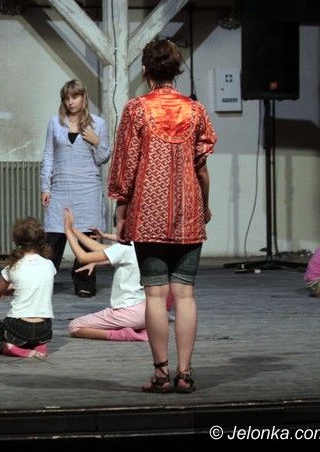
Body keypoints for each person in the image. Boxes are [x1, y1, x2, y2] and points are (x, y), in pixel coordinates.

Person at [107, 39, 217, 393]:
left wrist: (121, 211)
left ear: (145, 70)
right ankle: (185, 374)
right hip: (188, 212)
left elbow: (125, 165)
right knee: (184, 295)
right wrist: (205, 206)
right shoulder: (195, 111)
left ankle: (161, 374)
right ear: (176, 70)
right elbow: (201, 170)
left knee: (155, 296)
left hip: (148, 215)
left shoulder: (137, 109)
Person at [40, 79, 110, 297]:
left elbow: (102, 159)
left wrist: (97, 142)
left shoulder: (98, 124)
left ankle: (84, 282)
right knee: (53, 239)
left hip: (87, 190)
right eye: (66, 98)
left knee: (87, 238)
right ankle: (39, 283)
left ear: (83, 97)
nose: (70, 102)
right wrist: (45, 187)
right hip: (60, 188)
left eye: (75, 97)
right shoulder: (55, 122)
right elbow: (48, 155)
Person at [63, 209, 148, 342]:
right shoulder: (143, 245)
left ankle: (123, 334)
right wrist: (73, 229)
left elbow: (83, 257)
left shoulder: (125, 248)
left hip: (127, 312)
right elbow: (98, 247)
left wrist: (68, 232)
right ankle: (142, 329)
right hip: (148, 312)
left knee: (75, 326)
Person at [0, 217, 56, 358]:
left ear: (17, 242)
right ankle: (39, 345)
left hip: (19, 328)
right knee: (30, 337)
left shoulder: (13, 267)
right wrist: (9, 290)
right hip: (44, 330)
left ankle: (13, 349)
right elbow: (31, 286)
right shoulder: (49, 265)